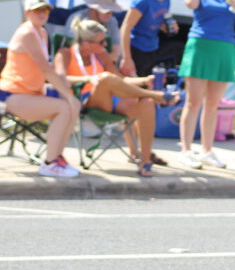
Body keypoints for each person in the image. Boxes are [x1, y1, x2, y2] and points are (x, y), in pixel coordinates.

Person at [55, 19, 179, 177]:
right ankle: (157, 96)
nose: (104, 46)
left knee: (146, 102)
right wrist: (88, 79)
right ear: (85, 42)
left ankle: (145, 160)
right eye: (100, 42)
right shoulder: (65, 54)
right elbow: (60, 78)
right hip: (87, 102)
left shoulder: (101, 55)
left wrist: (143, 80)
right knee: (105, 78)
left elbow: (120, 80)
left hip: (113, 98)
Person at [177, 0, 235, 170]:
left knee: (213, 105)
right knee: (193, 102)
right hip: (200, 47)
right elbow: (189, 3)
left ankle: (207, 150)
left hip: (225, 49)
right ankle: (186, 150)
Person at [0, 0, 81, 178]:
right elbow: (45, 69)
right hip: (13, 96)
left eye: (45, 10)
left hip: (31, 93)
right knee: (65, 107)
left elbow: (48, 69)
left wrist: (68, 93)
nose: (42, 14)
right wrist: (68, 95)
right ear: (27, 12)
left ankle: (58, 157)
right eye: (37, 10)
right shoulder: (27, 33)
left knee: (73, 107)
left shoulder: (42, 32)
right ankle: (50, 163)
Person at [119, 0, 181, 78]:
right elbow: (125, 28)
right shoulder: (143, 0)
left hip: (152, 49)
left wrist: (167, 27)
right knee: (133, 93)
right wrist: (127, 58)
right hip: (136, 49)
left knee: (148, 90)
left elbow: (155, 22)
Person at [67, 0, 125, 65]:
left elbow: (116, 50)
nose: (110, 14)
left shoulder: (112, 21)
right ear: (94, 9)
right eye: (107, 11)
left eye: (111, 11)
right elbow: (72, 49)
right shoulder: (76, 19)